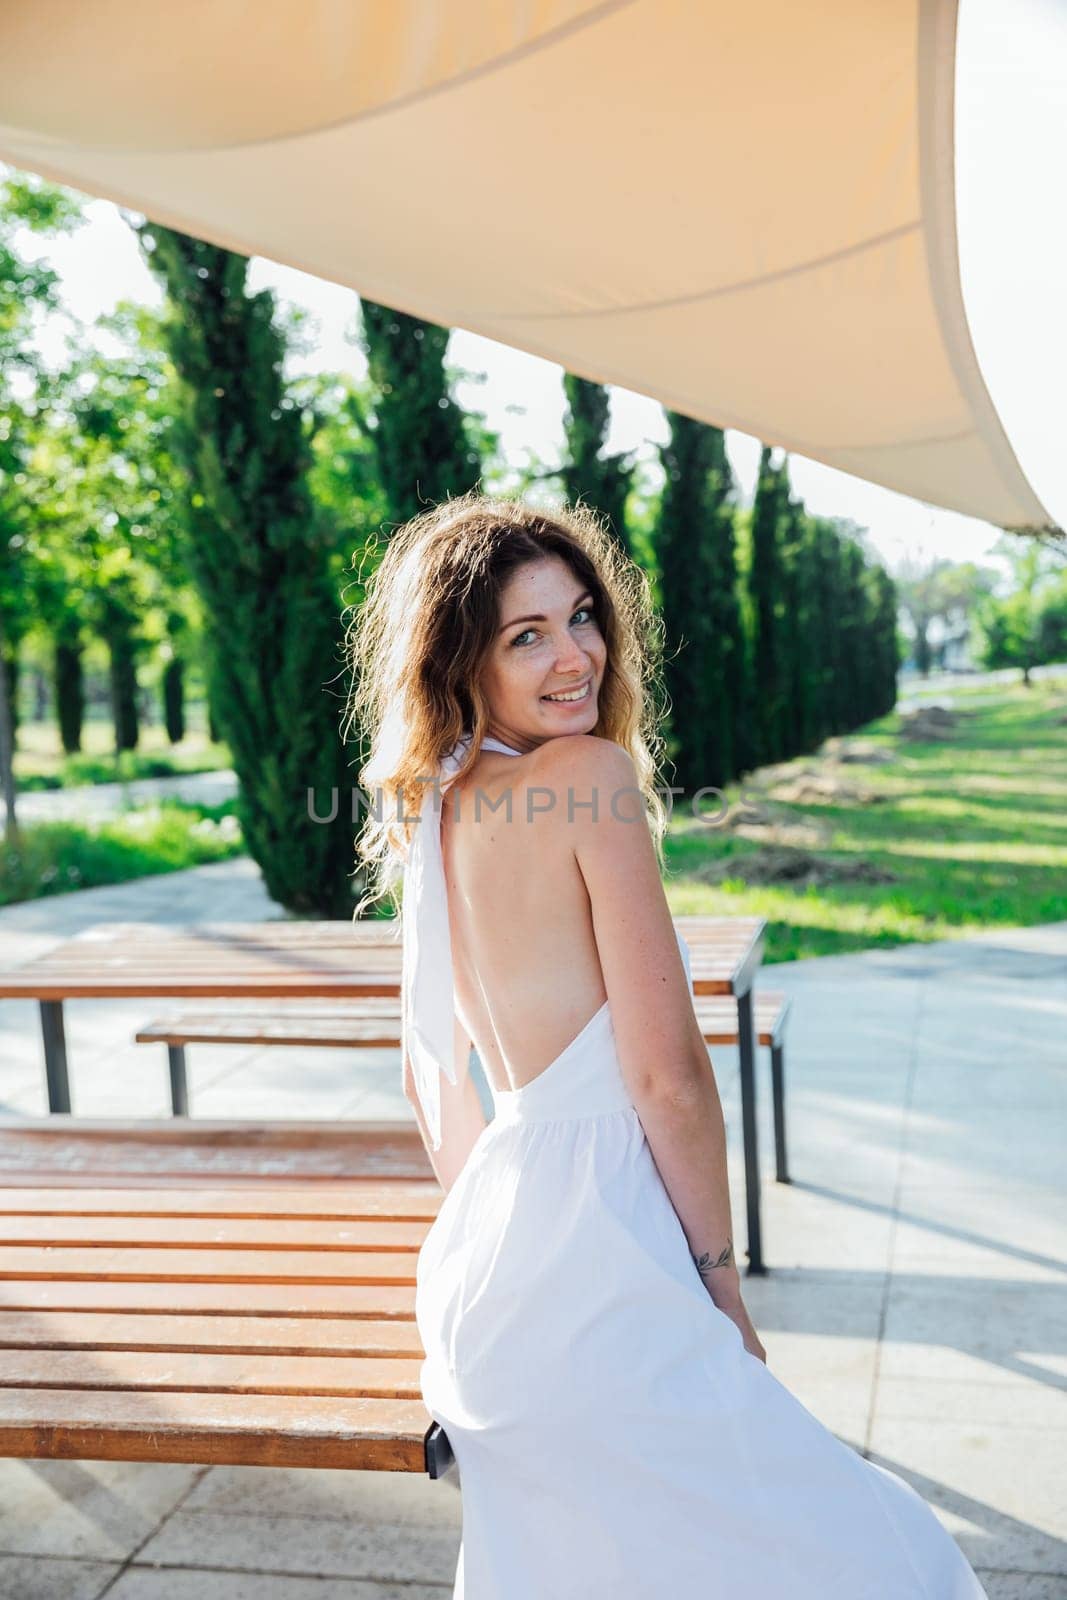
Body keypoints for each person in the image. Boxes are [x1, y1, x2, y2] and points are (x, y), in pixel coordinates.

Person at [347, 491, 988, 1598]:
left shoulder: (436, 805)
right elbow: (666, 1076)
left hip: (495, 1278)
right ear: (463, 660)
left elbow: (434, 1082)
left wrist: (496, 1238)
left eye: (581, 614)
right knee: (882, 1561)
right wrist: (719, 1286)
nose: (574, 655)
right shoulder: (587, 778)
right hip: (600, 1260)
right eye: (525, 634)